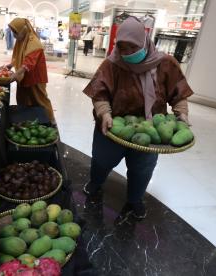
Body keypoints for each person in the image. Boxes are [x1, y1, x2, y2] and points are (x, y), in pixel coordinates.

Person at [82, 17, 193, 219]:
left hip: (150, 129)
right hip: (114, 127)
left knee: (142, 168)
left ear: (144, 41)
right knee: (101, 160)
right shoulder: (112, 64)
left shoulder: (166, 64)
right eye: (121, 47)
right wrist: (105, 114)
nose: (126, 53)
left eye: (132, 47)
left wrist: (182, 115)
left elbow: (179, 94)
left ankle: (135, 199)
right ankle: (95, 183)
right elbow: (100, 94)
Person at [8, 18, 56, 124]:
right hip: (24, 75)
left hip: (35, 77)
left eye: (16, 32)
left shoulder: (33, 42)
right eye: (13, 32)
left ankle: (50, 120)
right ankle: (28, 119)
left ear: (23, 30)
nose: (14, 35)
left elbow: (29, 61)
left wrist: (18, 73)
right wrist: (11, 65)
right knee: (23, 98)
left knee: (40, 99)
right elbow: (18, 55)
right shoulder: (21, 40)